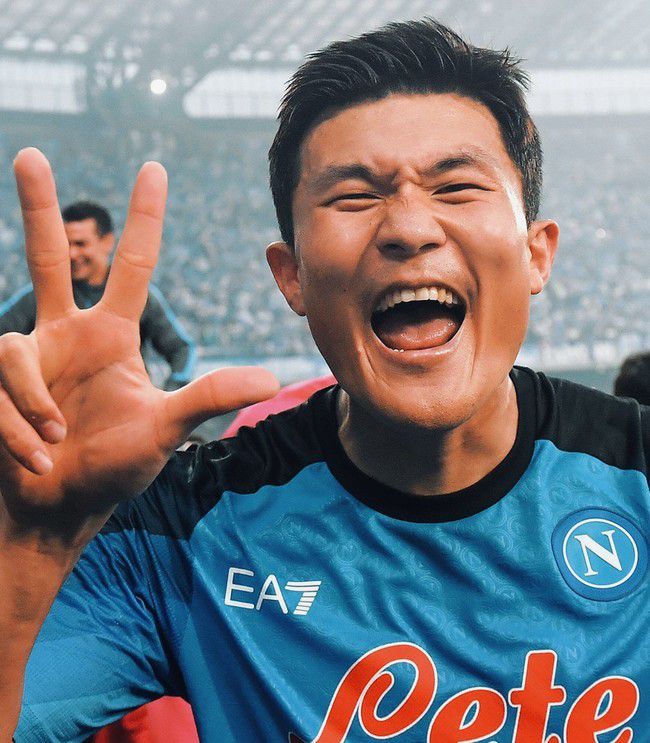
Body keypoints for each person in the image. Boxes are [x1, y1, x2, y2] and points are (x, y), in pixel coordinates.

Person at [1, 19, 648, 742]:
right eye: (354, 197)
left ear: (536, 253)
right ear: (292, 277)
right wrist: (29, 545)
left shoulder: (637, 477)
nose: (410, 227)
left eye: (457, 187)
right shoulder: (184, 530)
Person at [0, 200, 196, 391]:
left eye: (81, 244)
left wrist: (171, 389)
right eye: (66, 244)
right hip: (62, 407)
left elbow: (181, 349)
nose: (72, 253)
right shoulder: (42, 295)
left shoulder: (136, 295)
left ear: (107, 242)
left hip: (126, 403)